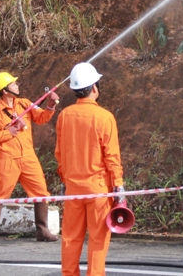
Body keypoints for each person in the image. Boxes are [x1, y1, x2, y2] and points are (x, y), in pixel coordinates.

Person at [55, 62, 125, 276]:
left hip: (73, 190)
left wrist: (65, 179)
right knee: (98, 239)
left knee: (70, 238)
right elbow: (112, 157)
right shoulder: (104, 117)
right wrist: (119, 187)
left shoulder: (64, 115)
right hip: (98, 190)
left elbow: (59, 153)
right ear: (94, 88)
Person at [0, 71, 60, 243]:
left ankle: (42, 230)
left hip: (28, 156)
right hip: (7, 158)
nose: (17, 85)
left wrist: (50, 106)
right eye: (13, 84)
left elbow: (41, 118)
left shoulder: (25, 104)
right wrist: (10, 131)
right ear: (4, 90)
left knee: (41, 192)